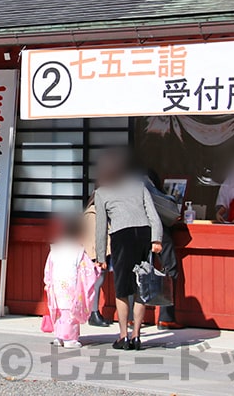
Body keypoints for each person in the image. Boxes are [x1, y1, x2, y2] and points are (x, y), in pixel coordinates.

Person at [94, 148, 163, 351]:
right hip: (143, 234)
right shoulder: (138, 185)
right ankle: (137, 336)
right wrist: (156, 239)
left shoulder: (101, 193)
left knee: (122, 288)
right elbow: (154, 216)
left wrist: (100, 255)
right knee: (142, 285)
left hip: (121, 237)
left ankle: (123, 335)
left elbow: (101, 227)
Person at [44, 216, 100, 348]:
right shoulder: (78, 251)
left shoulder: (55, 249)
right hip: (71, 283)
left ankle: (59, 337)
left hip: (57, 283)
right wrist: (96, 269)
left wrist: (48, 283)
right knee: (71, 310)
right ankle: (70, 339)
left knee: (59, 309)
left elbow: (48, 269)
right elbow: (87, 269)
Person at [144, 171, 184, 330]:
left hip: (137, 230)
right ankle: (166, 317)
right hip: (159, 230)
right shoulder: (147, 181)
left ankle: (134, 317)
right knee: (170, 269)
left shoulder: (125, 183)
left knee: (138, 270)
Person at [82, 191, 110, 327]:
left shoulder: (93, 212)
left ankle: (94, 312)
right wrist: (99, 256)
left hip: (99, 252)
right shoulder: (94, 213)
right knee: (96, 282)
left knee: (97, 282)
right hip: (96, 253)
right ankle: (93, 312)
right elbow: (94, 238)